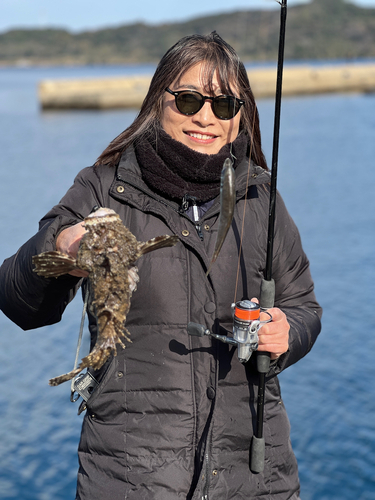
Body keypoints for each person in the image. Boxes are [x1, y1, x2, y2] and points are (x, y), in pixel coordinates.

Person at [0, 32, 322, 500]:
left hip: (255, 478)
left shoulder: (261, 197)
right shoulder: (102, 188)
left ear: (241, 115)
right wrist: (62, 250)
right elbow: (16, 299)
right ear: (159, 100)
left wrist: (286, 331)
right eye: (189, 99)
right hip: (130, 480)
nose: (206, 118)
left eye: (224, 105)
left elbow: (304, 305)